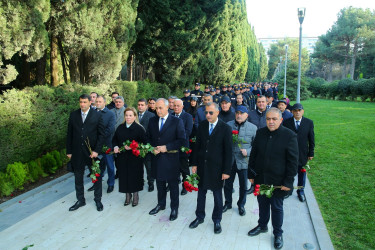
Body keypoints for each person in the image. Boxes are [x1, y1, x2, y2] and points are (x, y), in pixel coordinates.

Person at [247, 108, 298, 249]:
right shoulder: (260, 133)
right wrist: (250, 174)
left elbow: (293, 162)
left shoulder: (289, 136)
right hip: (262, 178)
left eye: (274, 119)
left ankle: (278, 234)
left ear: (281, 120)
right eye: (268, 119)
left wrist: (288, 181)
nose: (270, 122)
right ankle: (262, 225)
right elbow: (254, 154)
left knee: (276, 207)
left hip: (279, 182)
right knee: (262, 204)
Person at [189, 102, 232, 234]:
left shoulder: (225, 128)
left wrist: (226, 171)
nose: (207, 115)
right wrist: (194, 163)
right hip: (202, 165)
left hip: (217, 168)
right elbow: (197, 147)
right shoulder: (202, 126)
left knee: (218, 196)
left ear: (217, 113)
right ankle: (199, 216)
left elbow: (228, 152)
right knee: (201, 194)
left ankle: (217, 219)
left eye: (211, 113)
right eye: (206, 112)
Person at [147, 98, 186, 221]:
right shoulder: (152, 120)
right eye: (156, 108)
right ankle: (161, 204)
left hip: (171, 159)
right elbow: (147, 137)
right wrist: (151, 147)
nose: (158, 110)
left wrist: (167, 147)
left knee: (173, 185)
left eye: (160, 108)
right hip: (157, 158)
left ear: (167, 107)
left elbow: (181, 140)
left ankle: (174, 208)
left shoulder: (176, 121)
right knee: (160, 184)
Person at [66, 94, 105, 212]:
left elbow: (101, 135)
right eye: (80, 102)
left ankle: (98, 199)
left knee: (96, 177)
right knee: (78, 176)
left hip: (92, 152)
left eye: (84, 102)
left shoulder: (97, 115)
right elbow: (69, 134)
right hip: (77, 152)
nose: (82, 104)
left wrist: (96, 151)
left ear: (89, 103)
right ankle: (80, 200)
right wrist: (69, 151)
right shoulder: (74, 115)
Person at [223, 106, 257, 216]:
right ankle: (228, 203)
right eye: (237, 113)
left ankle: (241, 205)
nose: (239, 115)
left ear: (247, 115)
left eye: (241, 113)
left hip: (243, 162)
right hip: (230, 161)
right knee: (228, 184)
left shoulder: (253, 128)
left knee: (243, 185)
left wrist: (248, 151)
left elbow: (256, 146)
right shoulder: (228, 125)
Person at [112, 107, 146, 207]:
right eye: (126, 115)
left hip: (135, 158)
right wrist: (115, 146)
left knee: (134, 176)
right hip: (122, 157)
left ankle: (135, 194)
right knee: (124, 176)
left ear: (135, 116)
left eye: (130, 115)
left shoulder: (139, 128)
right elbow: (115, 139)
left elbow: (145, 143)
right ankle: (127, 195)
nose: (128, 117)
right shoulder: (120, 127)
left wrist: (133, 146)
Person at [283, 103, 315, 202]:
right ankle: (289, 190)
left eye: (299, 110)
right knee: (289, 172)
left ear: (303, 111)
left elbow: (311, 139)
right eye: (295, 110)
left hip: (302, 153)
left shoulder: (309, 122)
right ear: (292, 112)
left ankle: (300, 191)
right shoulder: (286, 122)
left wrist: (311, 153)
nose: (297, 112)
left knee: (302, 173)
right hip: (289, 152)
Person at [87, 95, 116, 193]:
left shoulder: (110, 114)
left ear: (104, 102)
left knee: (110, 166)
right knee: (96, 167)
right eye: (97, 102)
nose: (98, 103)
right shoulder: (92, 113)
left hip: (106, 145)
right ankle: (96, 184)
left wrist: (99, 138)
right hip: (95, 146)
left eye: (100, 102)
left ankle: (111, 184)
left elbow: (110, 129)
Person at [173, 99, 193, 195]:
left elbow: (188, 131)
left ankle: (185, 186)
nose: (176, 107)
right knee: (173, 167)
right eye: (174, 105)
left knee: (184, 168)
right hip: (172, 147)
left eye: (178, 106)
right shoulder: (171, 116)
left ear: (182, 106)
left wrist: (175, 136)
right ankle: (173, 183)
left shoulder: (187, 116)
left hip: (183, 146)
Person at [137, 98, 156, 192]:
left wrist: (149, 145)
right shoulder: (134, 115)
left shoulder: (151, 116)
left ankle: (151, 183)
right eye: (139, 105)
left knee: (149, 167)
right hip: (136, 146)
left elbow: (153, 132)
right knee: (138, 166)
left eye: (142, 105)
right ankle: (140, 181)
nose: (140, 106)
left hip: (147, 146)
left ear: (146, 106)